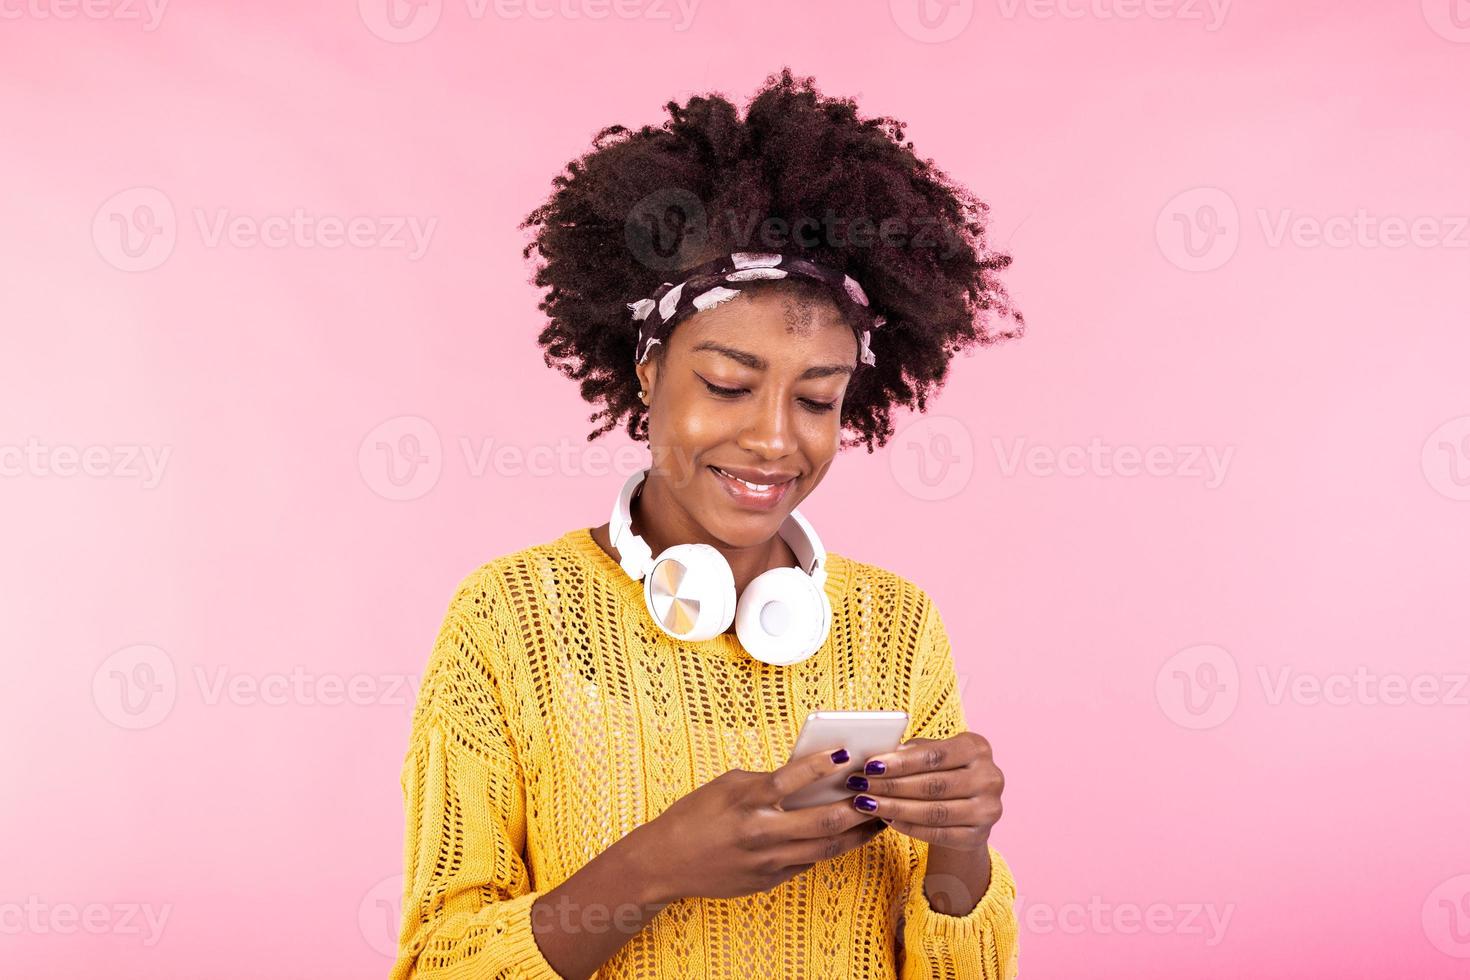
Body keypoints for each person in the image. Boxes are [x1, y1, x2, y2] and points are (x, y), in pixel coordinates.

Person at [388, 67, 1025, 980]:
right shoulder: (509, 618)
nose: (773, 439)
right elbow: (438, 964)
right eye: (728, 384)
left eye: (816, 399)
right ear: (648, 371)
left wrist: (963, 858)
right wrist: (653, 869)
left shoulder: (897, 625)